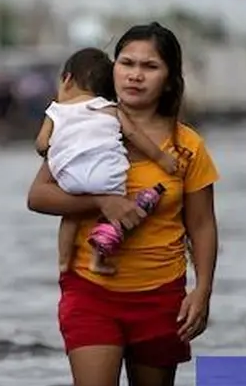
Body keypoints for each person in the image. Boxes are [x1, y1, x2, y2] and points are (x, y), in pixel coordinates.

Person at [26, 22, 219, 386]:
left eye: (150, 66)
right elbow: (38, 196)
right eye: (127, 63)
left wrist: (202, 290)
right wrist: (101, 202)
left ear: (170, 78)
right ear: (112, 70)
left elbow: (202, 224)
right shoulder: (84, 126)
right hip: (90, 290)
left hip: (161, 295)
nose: (135, 75)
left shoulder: (187, 146)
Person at [33, 47, 182, 275]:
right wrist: (161, 158)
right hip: (107, 177)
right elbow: (132, 134)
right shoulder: (110, 109)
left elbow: (42, 143)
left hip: (71, 178)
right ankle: (98, 259)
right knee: (114, 211)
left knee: (71, 215)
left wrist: (53, 151)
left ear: (67, 80)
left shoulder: (56, 110)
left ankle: (63, 261)